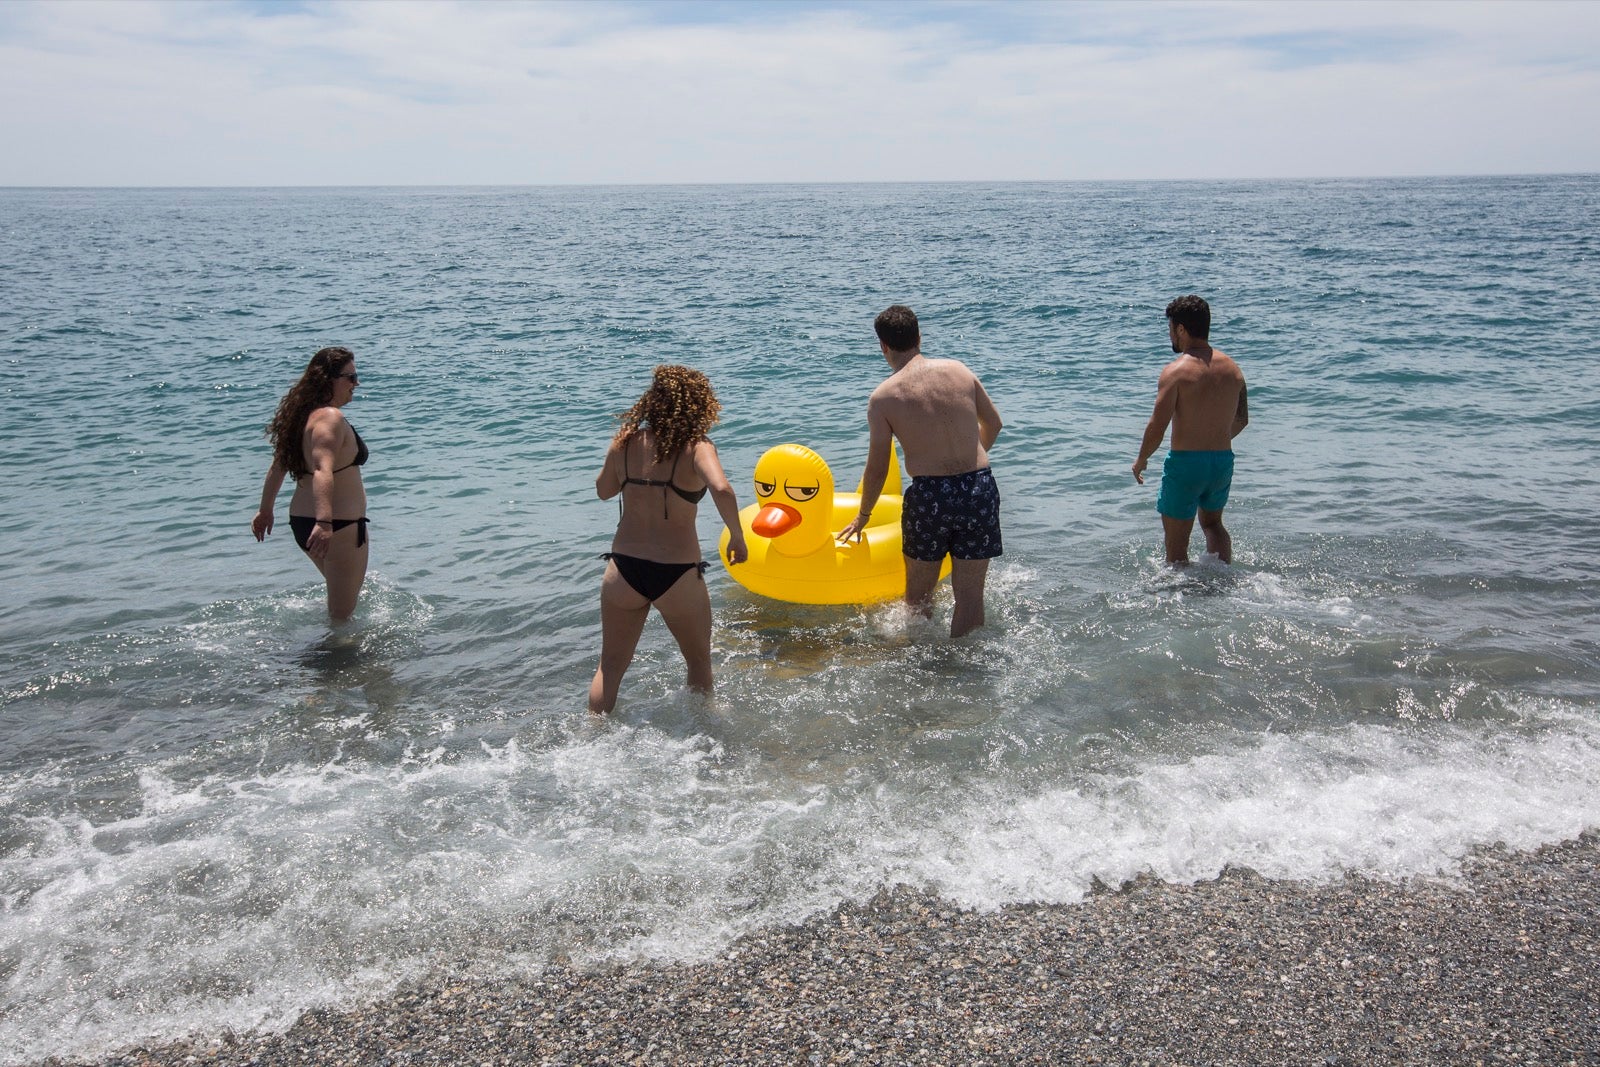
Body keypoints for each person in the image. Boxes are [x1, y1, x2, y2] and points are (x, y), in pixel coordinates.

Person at [589, 365, 748, 714]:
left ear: (652, 400)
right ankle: (702, 738)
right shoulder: (697, 447)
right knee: (698, 664)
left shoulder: (626, 440)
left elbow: (603, 490)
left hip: (623, 569)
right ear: (698, 404)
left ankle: (593, 737)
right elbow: (721, 488)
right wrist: (737, 536)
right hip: (676, 573)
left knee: (610, 668)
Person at [838, 305, 1003, 638]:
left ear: (883, 346)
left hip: (930, 498)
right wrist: (971, 465)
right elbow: (994, 424)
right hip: (979, 489)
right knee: (970, 596)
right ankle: (967, 671)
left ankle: (923, 673)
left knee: (918, 598)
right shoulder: (959, 371)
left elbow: (878, 466)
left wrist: (864, 514)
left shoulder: (883, 398)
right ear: (919, 336)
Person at [251, 346, 370, 621]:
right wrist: (325, 523)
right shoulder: (330, 418)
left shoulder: (301, 416)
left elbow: (278, 465)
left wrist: (265, 510)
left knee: (340, 601)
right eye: (350, 377)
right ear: (329, 379)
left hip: (303, 523)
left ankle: (327, 655)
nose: (357, 383)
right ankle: (332, 661)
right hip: (337, 528)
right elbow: (321, 469)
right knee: (342, 614)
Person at [1132, 295, 1249, 565]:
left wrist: (1141, 459)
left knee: (1177, 544)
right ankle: (1221, 580)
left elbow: (1157, 426)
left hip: (1186, 464)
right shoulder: (1234, 370)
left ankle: (1180, 596)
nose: (1170, 335)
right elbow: (1242, 419)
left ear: (1181, 329)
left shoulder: (1175, 372)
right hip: (1221, 462)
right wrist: (1212, 438)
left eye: (1171, 328)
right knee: (1213, 524)